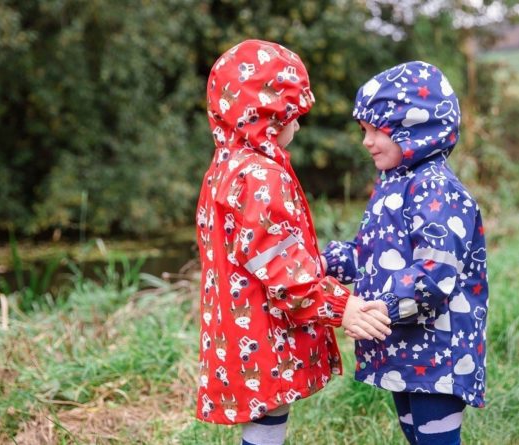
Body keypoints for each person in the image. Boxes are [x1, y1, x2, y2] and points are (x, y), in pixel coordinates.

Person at [196, 39, 390, 444]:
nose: (298, 126)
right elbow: (281, 266)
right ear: (262, 116)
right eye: (291, 115)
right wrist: (342, 306)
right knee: (269, 410)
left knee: (266, 411)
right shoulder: (259, 176)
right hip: (262, 327)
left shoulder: (226, 166)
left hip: (237, 323)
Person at [321, 61, 489, 445]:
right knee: (416, 435)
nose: (366, 141)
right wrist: (326, 263)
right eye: (362, 130)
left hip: (438, 353)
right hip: (405, 347)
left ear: (413, 130)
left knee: (435, 439)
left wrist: (385, 309)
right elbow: (371, 255)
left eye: (375, 130)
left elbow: (436, 272)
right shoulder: (393, 185)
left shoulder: (436, 190)